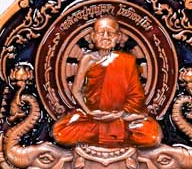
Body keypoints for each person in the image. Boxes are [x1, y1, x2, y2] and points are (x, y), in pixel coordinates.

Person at [53, 16, 162, 148]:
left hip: (122, 117)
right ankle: (116, 135)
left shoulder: (127, 60)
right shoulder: (88, 59)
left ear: (118, 37)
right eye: (101, 33)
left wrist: (120, 114)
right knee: (61, 132)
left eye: (110, 33)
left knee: (151, 135)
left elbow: (137, 96)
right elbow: (76, 91)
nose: (106, 37)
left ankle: (105, 134)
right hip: (93, 117)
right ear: (93, 36)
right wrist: (89, 112)